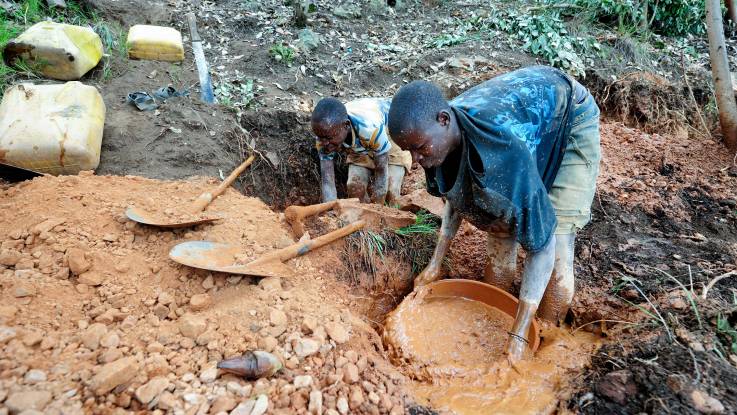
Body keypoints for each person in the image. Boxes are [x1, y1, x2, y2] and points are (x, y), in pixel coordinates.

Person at [387, 66, 601, 362]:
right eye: (408, 151)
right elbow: (456, 197)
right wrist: (435, 264)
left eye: (419, 149)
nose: (415, 161)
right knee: (499, 229)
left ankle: (547, 339)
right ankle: (495, 311)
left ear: (444, 120)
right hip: (523, 119)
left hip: (567, 116)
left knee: (559, 245)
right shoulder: (438, 135)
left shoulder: (504, 149)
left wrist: (519, 335)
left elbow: (543, 245)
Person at [312, 97, 412, 204]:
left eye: (329, 138)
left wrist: (379, 207)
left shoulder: (370, 128)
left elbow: (381, 171)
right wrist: (330, 213)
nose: (324, 143)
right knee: (355, 188)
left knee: (390, 191)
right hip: (360, 142)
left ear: (346, 125)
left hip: (392, 132)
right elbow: (328, 183)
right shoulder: (324, 137)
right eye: (320, 137)